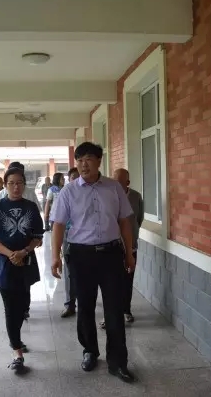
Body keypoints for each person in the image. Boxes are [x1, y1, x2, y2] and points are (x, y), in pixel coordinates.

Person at [51, 142, 136, 383]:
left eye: (88, 158)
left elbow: (124, 222)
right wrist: (55, 256)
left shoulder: (114, 188)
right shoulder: (68, 192)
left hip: (111, 254)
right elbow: (58, 224)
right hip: (81, 256)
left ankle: (118, 362)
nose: (83, 164)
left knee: (114, 309)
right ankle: (90, 350)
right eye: (79, 160)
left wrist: (129, 253)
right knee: (85, 308)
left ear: (99, 161)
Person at [0, 167, 44, 373]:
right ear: (5, 185)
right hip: (4, 265)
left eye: (19, 183)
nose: (15, 187)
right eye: (11, 183)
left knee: (23, 305)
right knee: (11, 308)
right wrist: (11, 254)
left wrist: (24, 252)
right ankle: (17, 351)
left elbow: (38, 236)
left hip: (26, 263)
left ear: (24, 184)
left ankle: (16, 338)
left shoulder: (31, 207)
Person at [100, 168, 144, 328]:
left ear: (128, 183)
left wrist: (131, 238)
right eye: (114, 181)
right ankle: (109, 316)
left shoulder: (136, 197)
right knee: (110, 283)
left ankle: (126, 310)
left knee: (127, 280)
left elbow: (138, 219)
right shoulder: (106, 195)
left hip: (130, 247)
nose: (116, 185)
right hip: (111, 246)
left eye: (119, 182)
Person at [60, 167, 79, 318]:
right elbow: (58, 222)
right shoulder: (65, 194)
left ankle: (85, 302)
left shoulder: (90, 194)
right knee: (69, 272)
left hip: (87, 239)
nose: (76, 180)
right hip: (69, 236)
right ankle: (70, 304)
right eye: (73, 177)